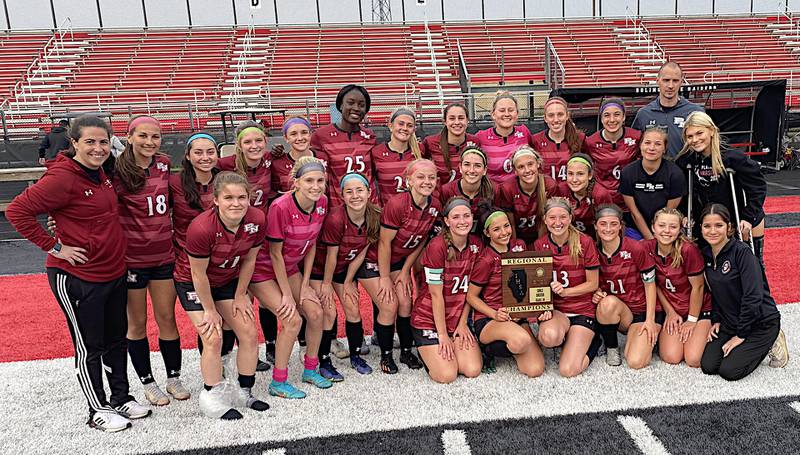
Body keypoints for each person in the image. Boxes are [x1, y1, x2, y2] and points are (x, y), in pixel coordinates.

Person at [7, 115, 150, 432]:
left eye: (103, 141)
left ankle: (120, 397)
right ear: (73, 143)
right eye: (90, 142)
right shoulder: (63, 178)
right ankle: (97, 408)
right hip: (77, 276)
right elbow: (17, 211)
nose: (98, 148)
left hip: (113, 270)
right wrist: (55, 247)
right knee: (89, 346)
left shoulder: (103, 171)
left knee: (116, 340)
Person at [173, 171, 269, 419]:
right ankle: (212, 396)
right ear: (215, 199)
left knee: (248, 331)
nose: (236, 203)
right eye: (228, 197)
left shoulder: (257, 219)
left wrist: (240, 295)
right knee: (212, 335)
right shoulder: (202, 227)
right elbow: (198, 275)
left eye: (241, 197)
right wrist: (210, 310)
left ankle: (244, 391)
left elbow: (249, 260)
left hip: (227, 280)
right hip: (193, 282)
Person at [113, 115, 188, 406]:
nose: (149, 142)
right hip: (131, 259)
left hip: (162, 255)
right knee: (137, 323)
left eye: (155, 136)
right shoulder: (116, 169)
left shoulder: (164, 163)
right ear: (129, 137)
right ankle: (147, 381)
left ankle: (173, 376)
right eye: (143, 136)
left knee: (167, 318)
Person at [248, 156, 333, 399]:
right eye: (309, 180)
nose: (315, 186)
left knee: (316, 313)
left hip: (290, 268)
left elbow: (311, 243)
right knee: (292, 320)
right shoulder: (280, 207)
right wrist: (288, 294)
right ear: (296, 182)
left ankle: (310, 368)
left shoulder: (322, 202)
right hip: (264, 271)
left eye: (320, 180)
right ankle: (278, 381)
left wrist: (305, 286)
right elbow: (274, 254)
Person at [359, 159, 442, 374]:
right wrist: (385, 277)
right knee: (389, 305)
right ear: (409, 181)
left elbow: (422, 239)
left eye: (431, 177)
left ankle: (406, 351)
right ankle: (386, 356)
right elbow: (385, 243)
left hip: (398, 261)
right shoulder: (398, 204)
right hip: (374, 260)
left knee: (406, 302)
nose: (427, 181)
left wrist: (405, 271)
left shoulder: (435, 205)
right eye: (421, 177)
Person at [699, 204, 786, 380]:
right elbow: (715, 292)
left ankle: (772, 340)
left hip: (760, 322)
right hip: (731, 321)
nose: (712, 231)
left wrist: (741, 335)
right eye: (707, 226)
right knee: (708, 366)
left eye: (719, 225)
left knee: (729, 371)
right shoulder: (706, 254)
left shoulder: (742, 253)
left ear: (729, 227)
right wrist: (716, 319)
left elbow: (753, 297)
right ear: (700, 228)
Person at [675, 111, 769, 268]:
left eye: (699, 133)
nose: (695, 140)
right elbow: (683, 192)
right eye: (690, 136)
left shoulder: (733, 158)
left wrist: (747, 216)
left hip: (735, 218)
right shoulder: (686, 161)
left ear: (711, 130)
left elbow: (757, 188)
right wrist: (685, 213)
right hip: (707, 221)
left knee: (750, 263)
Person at [309, 173, 381, 377]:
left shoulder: (374, 215)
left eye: (360, 190)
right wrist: (325, 285)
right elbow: (331, 257)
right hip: (321, 269)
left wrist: (349, 281)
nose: (355, 195)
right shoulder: (335, 218)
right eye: (349, 191)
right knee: (329, 312)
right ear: (342, 195)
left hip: (343, 268)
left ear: (369, 192)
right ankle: (324, 362)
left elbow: (362, 252)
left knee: (352, 307)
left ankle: (356, 355)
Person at [218, 121, 275, 371]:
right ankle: (226, 357)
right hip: (233, 238)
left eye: (259, 140)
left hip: (259, 236)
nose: (254, 145)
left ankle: (267, 348)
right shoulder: (225, 165)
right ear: (238, 145)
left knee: (261, 299)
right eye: (248, 141)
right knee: (238, 302)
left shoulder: (270, 160)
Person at [467, 207, 548, 376]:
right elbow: (471, 296)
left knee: (535, 370)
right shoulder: (486, 259)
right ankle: (487, 349)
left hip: (517, 315)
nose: (504, 232)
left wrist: (541, 306)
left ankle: (511, 339)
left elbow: (530, 280)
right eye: (496, 229)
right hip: (492, 318)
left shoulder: (519, 246)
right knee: (521, 341)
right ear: (487, 233)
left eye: (506, 226)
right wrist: (494, 313)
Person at [411, 198, 483, 383]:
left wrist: (463, 323)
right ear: (447, 221)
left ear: (472, 218)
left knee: (472, 369)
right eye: (456, 217)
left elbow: (471, 291)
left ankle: (447, 345)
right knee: (447, 375)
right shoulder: (437, 246)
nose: (462, 221)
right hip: (429, 319)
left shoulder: (476, 245)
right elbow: (436, 295)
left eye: (466, 216)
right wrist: (442, 335)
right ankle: (426, 351)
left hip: (456, 317)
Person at [532, 197, 602, 378]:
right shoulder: (540, 245)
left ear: (570, 218)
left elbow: (593, 284)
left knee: (568, 370)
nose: (558, 223)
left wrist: (566, 291)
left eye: (562, 217)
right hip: (558, 311)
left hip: (582, 309)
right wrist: (544, 307)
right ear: (545, 220)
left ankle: (595, 340)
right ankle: (567, 338)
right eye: (552, 218)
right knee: (548, 337)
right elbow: (538, 284)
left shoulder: (584, 242)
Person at [592, 204, 660, 369]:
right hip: (621, 313)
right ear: (595, 226)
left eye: (613, 224)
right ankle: (612, 347)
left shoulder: (636, 248)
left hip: (642, 312)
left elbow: (650, 285)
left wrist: (650, 320)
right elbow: (592, 282)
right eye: (603, 224)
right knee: (607, 303)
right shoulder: (593, 251)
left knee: (636, 362)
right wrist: (597, 292)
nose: (608, 228)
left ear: (621, 225)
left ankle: (648, 337)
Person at [644, 208, 712, 367]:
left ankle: (713, 334)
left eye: (673, 227)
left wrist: (691, 320)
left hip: (698, 309)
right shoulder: (647, 248)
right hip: (674, 309)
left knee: (693, 359)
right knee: (671, 357)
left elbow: (699, 287)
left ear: (680, 229)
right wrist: (670, 312)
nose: (667, 231)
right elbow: (654, 285)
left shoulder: (688, 250)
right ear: (653, 227)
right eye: (661, 225)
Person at [311, 84, 377, 207]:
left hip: (369, 207)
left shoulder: (370, 136)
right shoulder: (321, 136)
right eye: (350, 103)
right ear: (341, 105)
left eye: (361, 105)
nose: (356, 108)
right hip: (338, 208)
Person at [619, 125, 686, 240]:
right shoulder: (628, 172)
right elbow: (635, 213)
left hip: (665, 228)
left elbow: (668, 213)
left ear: (665, 148)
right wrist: (650, 239)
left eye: (658, 144)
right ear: (640, 145)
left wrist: (658, 238)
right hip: (636, 228)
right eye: (647, 143)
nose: (652, 148)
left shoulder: (675, 174)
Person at [631, 61, 704, 158]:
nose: (670, 86)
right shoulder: (644, 114)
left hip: (686, 171)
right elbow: (633, 148)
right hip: (654, 172)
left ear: (681, 82)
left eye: (675, 81)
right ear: (658, 81)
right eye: (666, 80)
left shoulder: (696, 112)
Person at [582, 98, 641, 206]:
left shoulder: (637, 137)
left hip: (630, 199)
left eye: (617, 114)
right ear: (601, 118)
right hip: (603, 200)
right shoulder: (590, 142)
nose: (612, 119)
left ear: (623, 117)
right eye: (607, 115)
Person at [494, 146, 557, 244]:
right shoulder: (507, 188)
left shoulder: (549, 185)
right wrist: (515, 245)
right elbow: (510, 224)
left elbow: (544, 220)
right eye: (521, 167)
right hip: (517, 235)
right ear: (515, 171)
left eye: (530, 164)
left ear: (538, 164)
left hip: (541, 235)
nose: (527, 170)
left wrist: (539, 246)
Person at [475, 91, 533, 184]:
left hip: (518, 193)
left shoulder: (524, 132)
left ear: (517, 114)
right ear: (493, 114)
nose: (507, 114)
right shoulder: (481, 137)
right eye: (502, 110)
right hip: (491, 193)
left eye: (511, 110)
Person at [371, 107, 422, 206]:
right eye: (401, 124)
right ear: (390, 126)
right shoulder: (376, 153)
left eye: (409, 125)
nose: (405, 128)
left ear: (414, 129)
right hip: (388, 215)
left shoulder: (421, 150)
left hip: (415, 216)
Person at [437, 146, 494, 234]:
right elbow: (442, 223)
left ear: (485, 170)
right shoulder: (446, 190)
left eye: (477, 166)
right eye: (467, 164)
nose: (471, 170)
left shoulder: (494, 190)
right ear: (460, 167)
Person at [556, 153, 614, 237]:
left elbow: (607, 225)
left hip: (595, 239)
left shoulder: (600, 194)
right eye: (570, 174)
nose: (574, 179)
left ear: (590, 175)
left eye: (580, 174)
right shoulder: (561, 189)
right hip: (568, 237)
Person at [420, 103, 479, 185]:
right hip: (440, 196)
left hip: (468, 195)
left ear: (467, 120)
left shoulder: (475, 141)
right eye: (452, 118)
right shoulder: (430, 143)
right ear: (444, 121)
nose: (457, 122)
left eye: (461, 118)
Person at [532, 97, 585, 182]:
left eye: (560, 114)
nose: (556, 120)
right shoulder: (535, 140)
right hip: (546, 193)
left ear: (567, 115)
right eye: (551, 115)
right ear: (545, 118)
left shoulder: (580, 139)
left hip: (572, 192)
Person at [271, 116, 315, 198]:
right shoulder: (277, 164)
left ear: (310, 134)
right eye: (293, 134)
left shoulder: (323, 157)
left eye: (304, 132)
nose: (300, 138)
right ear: (286, 138)